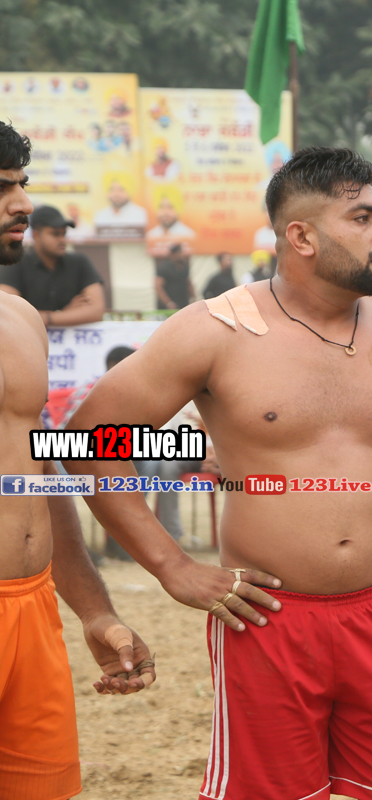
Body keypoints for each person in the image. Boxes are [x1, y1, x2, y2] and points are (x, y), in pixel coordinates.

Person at [64, 146, 372, 800]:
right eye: (363, 217)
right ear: (301, 237)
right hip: (265, 622)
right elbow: (89, 442)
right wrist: (172, 565)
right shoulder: (215, 331)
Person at [0, 120, 154, 800]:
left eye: (21, 184)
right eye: (2, 189)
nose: (23, 204)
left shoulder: (19, 318)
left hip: (32, 609)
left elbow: (33, 471)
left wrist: (93, 611)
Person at [0, 204, 106, 325]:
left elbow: (96, 310)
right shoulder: (15, 263)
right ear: (36, 235)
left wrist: (48, 318)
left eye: (64, 234)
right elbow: (9, 312)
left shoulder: (79, 262)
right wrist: (63, 314)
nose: (62, 240)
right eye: (55, 234)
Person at [146, 192, 196, 257]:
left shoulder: (189, 235)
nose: (165, 212)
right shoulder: (150, 236)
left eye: (170, 207)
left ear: (179, 209)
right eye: (161, 207)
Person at [155, 243, 194, 310]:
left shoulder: (184, 267)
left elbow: (188, 282)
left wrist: (193, 296)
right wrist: (168, 303)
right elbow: (158, 287)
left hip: (183, 303)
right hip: (168, 306)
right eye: (180, 252)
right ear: (174, 254)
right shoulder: (164, 267)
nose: (182, 255)